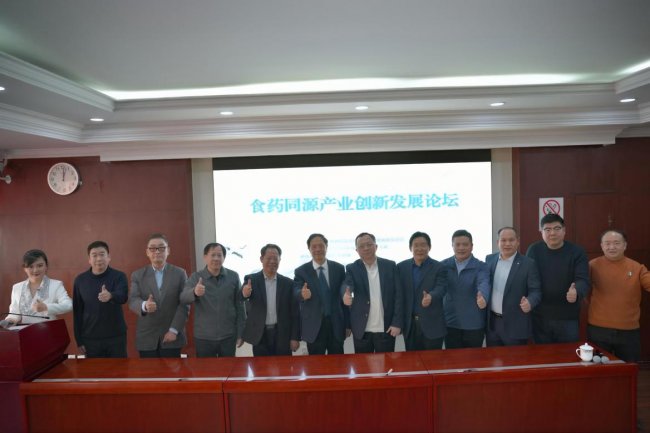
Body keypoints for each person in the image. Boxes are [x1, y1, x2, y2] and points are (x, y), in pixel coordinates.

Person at [587, 229, 650, 362]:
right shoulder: (592, 265)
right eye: (607, 243)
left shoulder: (637, 267)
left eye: (616, 243)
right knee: (598, 369)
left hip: (629, 331)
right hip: (598, 329)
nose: (612, 247)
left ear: (625, 245)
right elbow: (580, 286)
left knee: (628, 369)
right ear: (601, 246)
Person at [526, 213, 589, 344]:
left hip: (567, 316)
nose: (552, 233)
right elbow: (528, 278)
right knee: (542, 354)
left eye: (557, 228)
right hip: (540, 315)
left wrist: (576, 291)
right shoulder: (534, 250)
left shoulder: (577, 252)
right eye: (547, 229)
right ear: (541, 232)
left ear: (564, 230)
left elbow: (583, 279)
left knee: (567, 354)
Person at [128, 233, 190, 358]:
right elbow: (133, 300)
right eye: (152, 248)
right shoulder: (138, 275)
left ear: (168, 251)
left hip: (172, 336)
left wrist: (174, 330)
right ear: (147, 252)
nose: (157, 251)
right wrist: (144, 305)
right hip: (147, 337)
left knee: (173, 370)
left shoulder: (179, 273)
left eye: (161, 248)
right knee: (150, 371)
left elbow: (184, 304)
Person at [180, 242, 245, 357]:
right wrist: (194, 292)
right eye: (213, 255)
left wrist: (241, 333)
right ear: (205, 257)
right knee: (206, 368)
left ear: (224, 257)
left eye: (219, 255)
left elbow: (240, 306)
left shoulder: (233, 276)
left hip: (228, 336)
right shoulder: (196, 277)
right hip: (204, 337)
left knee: (228, 367)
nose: (216, 258)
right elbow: (183, 297)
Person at [342, 232, 403, 353]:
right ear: (357, 250)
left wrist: (397, 323)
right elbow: (347, 285)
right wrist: (345, 294)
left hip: (386, 328)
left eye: (369, 244)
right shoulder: (352, 268)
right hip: (362, 330)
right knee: (363, 364)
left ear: (376, 246)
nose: (366, 248)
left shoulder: (390, 266)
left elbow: (399, 296)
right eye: (361, 246)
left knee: (386, 363)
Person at [485, 227, 541, 346]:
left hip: (516, 325)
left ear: (518, 241)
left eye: (511, 240)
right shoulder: (489, 259)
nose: (507, 244)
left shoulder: (528, 264)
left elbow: (536, 291)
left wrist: (530, 302)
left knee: (515, 357)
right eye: (503, 240)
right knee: (492, 356)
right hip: (493, 324)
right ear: (498, 242)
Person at [294, 233, 349, 355]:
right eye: (314, 247)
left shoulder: (339, 268)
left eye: (321, 246)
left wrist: (348, 325)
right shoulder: (301, 271)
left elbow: (343, 297)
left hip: (336, 325)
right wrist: (302, 294)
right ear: (309, 249)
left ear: (326, 247)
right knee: (315, 364)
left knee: (338, 363)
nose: (318, 249)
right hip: (313, 327)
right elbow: (296, 291)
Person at [241, 244, 299, 356]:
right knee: (261, 366)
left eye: (275, 258)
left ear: (280, 260)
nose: (272, 261)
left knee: (283, 366)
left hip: (282, 334)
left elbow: (295, 312)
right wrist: (245, 293)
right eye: (269, 258)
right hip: (260, 335)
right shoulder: (251, 280)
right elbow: (240, 296)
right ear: (261, 259)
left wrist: (294, 337)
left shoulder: (288, 283)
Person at [72, 241, 128, 358]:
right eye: (94, 255)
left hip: (116, 337)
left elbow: (123, 296)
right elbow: (77, 311)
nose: (99, 258)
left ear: (109, 257)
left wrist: (111, 295)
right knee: (94, 370)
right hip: (90, 339)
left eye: (102, 254)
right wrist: (79, 340)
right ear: (89, 259)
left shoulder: (119, 276)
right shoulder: (80, 280)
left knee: (119, 369)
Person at [397, 231, 447, 351]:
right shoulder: (401, 267)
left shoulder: (439, 267)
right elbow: (398, 295)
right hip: (410, 325)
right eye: (416, 245)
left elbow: (442, 288)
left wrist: (431, 296)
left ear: (429, 247)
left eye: (423, 245)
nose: (420, 249)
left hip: (433, 324)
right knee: (412, 360)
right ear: (410, 248)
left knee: (433, 360)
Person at [441, 229, 490, 349]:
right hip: (450, 323)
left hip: (473, 324)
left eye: (465, 244)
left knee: (473, 359)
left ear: (472, 246)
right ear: (452, 246)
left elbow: (484, 283)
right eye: (457, 244)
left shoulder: (481, 266)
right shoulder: (443, 266)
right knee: (452, 359)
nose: (461, 248)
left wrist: (483, 297)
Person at [3, 249, 72, 326]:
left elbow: (68, 305)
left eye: (40, 266)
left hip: (49, 331)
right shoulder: (17, 288)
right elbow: (14, 313)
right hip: (25, 331)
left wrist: (46, 307)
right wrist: (9, 320)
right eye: (31, 267)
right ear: (24, 268)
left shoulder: (56, 285)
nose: (35, 270)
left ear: (46, 266)